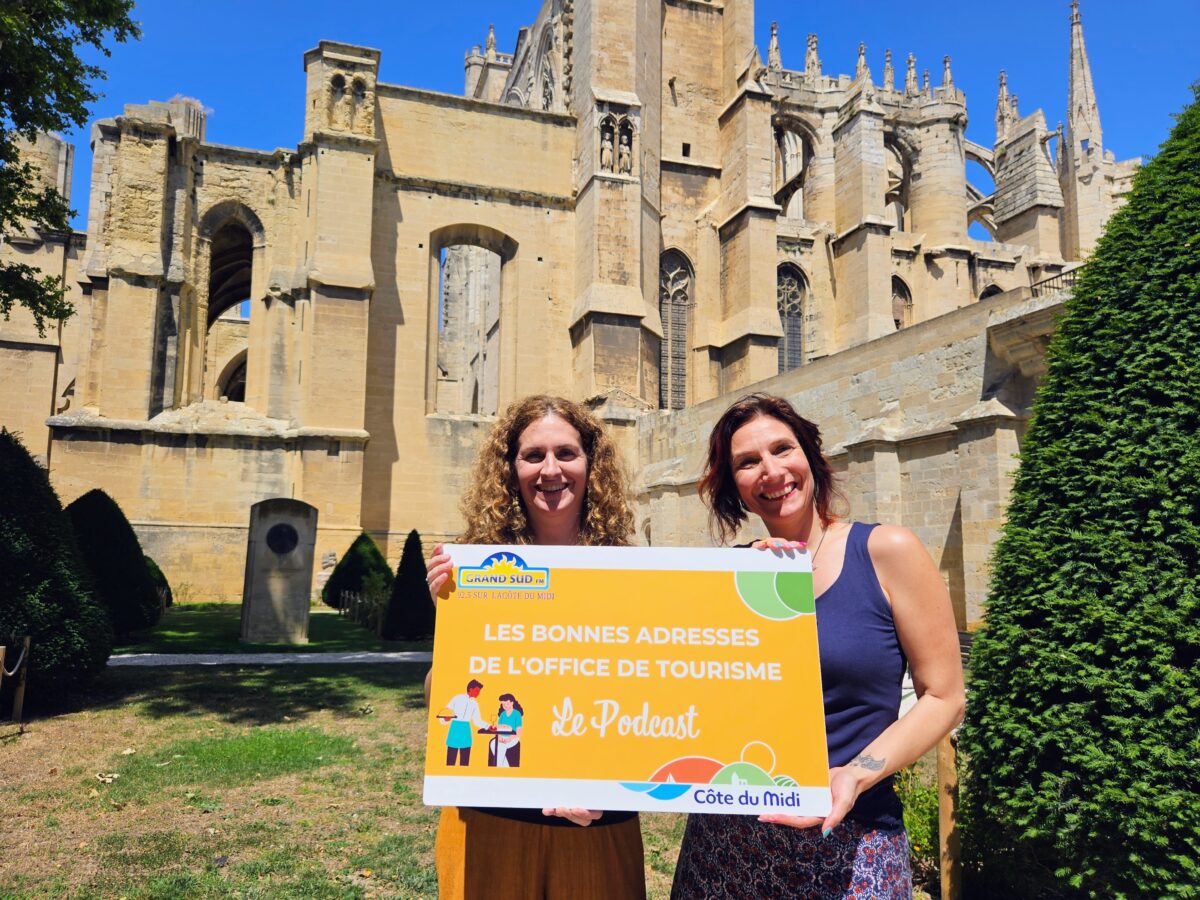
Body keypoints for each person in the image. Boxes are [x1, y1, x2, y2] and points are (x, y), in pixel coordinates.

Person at [671, 394, 965, 899]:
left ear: (810, 455)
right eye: (747, 462)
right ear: (735, 488)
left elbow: (944, 696)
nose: (771, 471)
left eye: (782, 449)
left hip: (852, 840)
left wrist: (854, 776)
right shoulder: (731, 575)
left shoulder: (887, 552)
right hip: (727, 846)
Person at [425, 395, 646, 900]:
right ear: (511, 468)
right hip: (489, 819)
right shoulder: (475, 570)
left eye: (566, 453)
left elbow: (650, 693)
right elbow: (441, 696)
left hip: (598, 824)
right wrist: (452, 627)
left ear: (591, 464)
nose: (550, 470)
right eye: (533, 455)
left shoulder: (631, 574)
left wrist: (769, 565)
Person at [440, 679, 488, 766]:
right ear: (470, 689)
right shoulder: (457, 698)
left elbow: (477, 720)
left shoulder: (474, 704)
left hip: (466, 731)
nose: (478, 693)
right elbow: (445, 712)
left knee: (465, 762)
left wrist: (488, 726)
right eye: (477, 691)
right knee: (450, 761)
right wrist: (445, 719)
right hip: (454, 729)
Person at [490, 693, 524, 768]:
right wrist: (499, 737)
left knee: (501, 746)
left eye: (507, 704)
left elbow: (519, 732)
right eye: (503, 704)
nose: (505, 706)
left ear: (512, 703)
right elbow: (498, 728)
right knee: (492, 743)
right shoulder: (502, 714)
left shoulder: (517, 714)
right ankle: (505, 766)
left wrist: (510, 738)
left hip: (513, 737)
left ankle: (499, 767)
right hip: (502, 736)